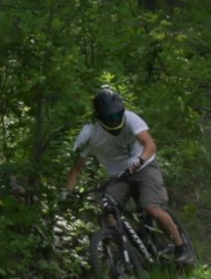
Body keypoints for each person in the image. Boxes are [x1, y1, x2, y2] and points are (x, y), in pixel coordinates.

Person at [65, 85, 192, 266]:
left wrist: (140, 160)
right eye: (109, 117)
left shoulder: (131, 119)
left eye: (117, 115)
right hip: (118, 176)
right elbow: (77, 169)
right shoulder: (89, 134)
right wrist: (67, 193)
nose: (114, 120)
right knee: (108, 210)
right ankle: (123, 252)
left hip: (144, 167)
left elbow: (150, 145)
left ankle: (181, 248)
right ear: (99, 117)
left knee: (151, 207)